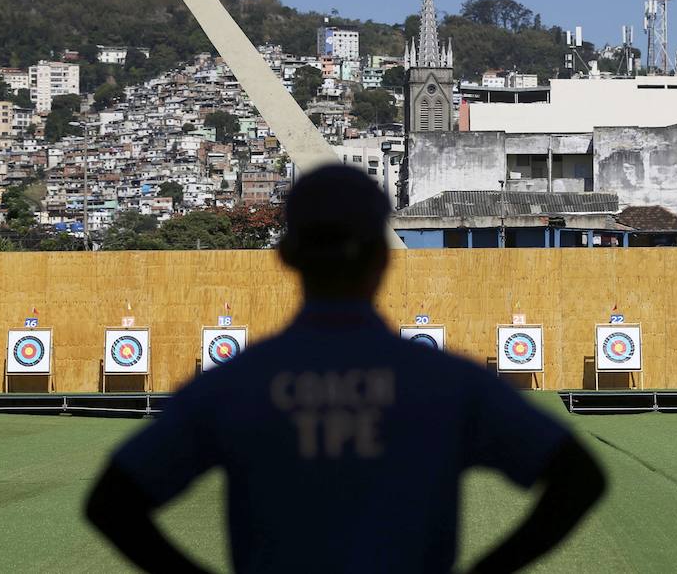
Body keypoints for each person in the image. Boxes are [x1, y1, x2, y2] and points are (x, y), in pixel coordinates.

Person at [86, 165, 606, 573]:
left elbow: (112, 501)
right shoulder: (447, 382)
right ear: (384, 255)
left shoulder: (233, 385)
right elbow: (577, 477)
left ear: (287, 253)